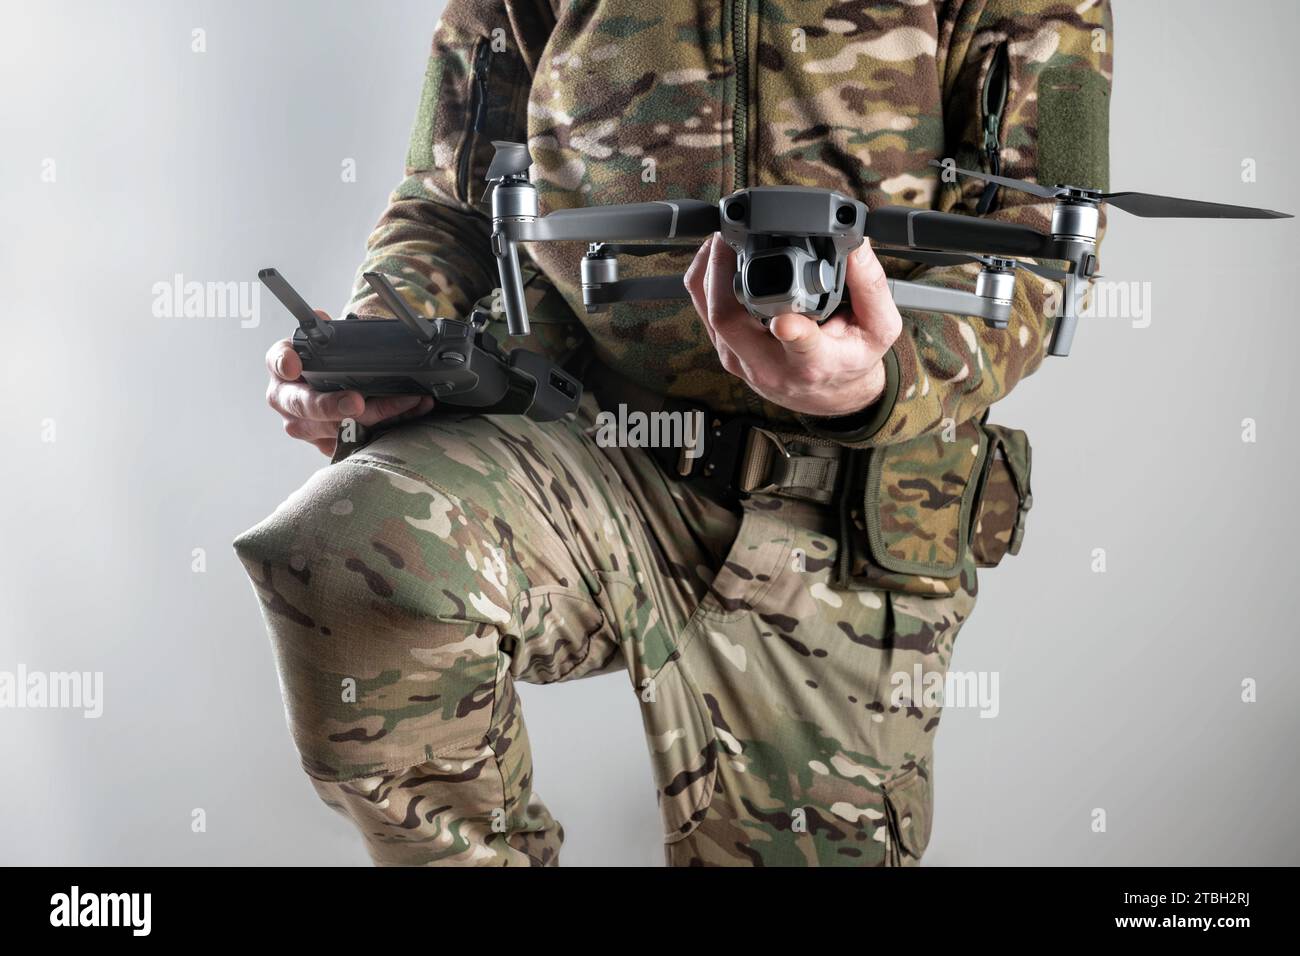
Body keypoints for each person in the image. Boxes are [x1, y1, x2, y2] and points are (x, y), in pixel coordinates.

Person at [235, 0, 1112, 866]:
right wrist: (384, 341)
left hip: (845, 512)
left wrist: (881, 379)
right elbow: (450, 201)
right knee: (355, 547)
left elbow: (1038, 249)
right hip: (584, 450)